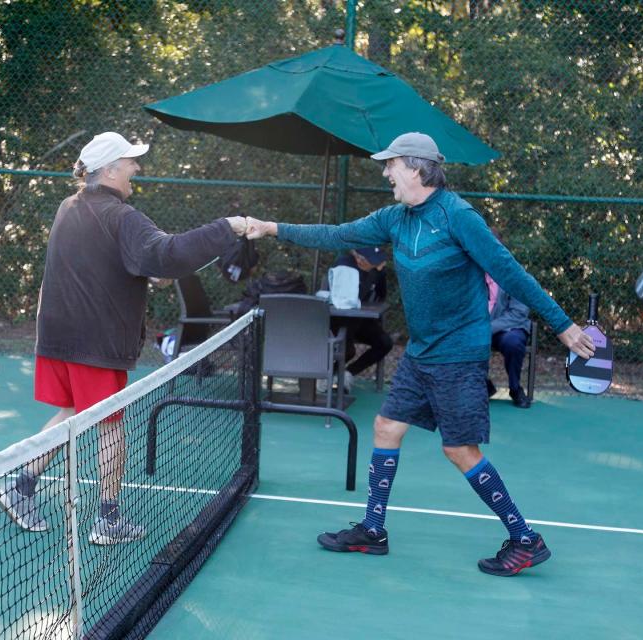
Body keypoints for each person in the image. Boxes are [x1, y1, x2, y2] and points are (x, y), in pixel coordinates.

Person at [245, 132, 595, 576]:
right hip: (422, 352)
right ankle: (373, 531)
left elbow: (510, 272)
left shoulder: (459, 217)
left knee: (459, 450)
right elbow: (337, 233)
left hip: (458, 353)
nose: (385, 171)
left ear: (415, 167)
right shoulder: (396, 218)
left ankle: (525, 538)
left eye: (390, 164)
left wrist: (563, 325)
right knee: (387, 426)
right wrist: (272, 227)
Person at [0, 131, 247, 544]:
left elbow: (103, 261)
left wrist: (148, 270)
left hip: (59, 332)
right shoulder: (122, 216)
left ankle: (20, 486)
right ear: (109, 170)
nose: (137, 168)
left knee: (75, 413)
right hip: (94, 340)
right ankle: (107, 520)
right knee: (111, 426)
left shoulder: (68, 207)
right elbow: (166, 254)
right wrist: (227, 228)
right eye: (130, 161)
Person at [320, 247, 393, 393]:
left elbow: (380, 296)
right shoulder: (344, 266)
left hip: (362, 320)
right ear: (358, 256)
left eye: (378, 259)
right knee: (347, 351)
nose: (376, 263)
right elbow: (343, 301)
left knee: (384, 343)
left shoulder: (377, 271)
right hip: (337, 320)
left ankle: (348, 374)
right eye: (371, 259)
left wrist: (378, 272)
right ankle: (325, 376)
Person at [486, 273, 533, 408]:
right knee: (465, 340)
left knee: (513, 343)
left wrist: (487, 328)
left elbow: (518, 313)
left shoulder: (514, 276)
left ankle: (515, 389)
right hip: (481, 328)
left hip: (511, 328)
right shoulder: (472, 276)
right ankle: (484, 385)